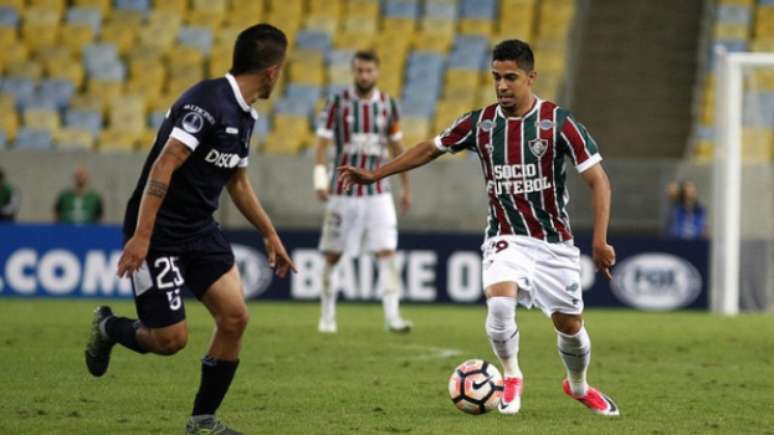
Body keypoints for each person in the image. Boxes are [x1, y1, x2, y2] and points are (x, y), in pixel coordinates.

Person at [339, 39, 619, 416]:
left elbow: (599, 181)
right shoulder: (480, 123)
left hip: (554, 243)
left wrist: (599, 240)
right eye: (496, 77)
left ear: (531, 77)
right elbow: (429, 148)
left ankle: (579, 385)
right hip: (505, 236)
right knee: (500, 301)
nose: (502, 86)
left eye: (511, 78)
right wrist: (376, 173)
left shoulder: (559, 123)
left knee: (570, 325)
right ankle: (511, 375)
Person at [84, 24, 296, 435]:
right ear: (272, 71)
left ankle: (202, 422)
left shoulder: (245, 115)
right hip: (158, 229)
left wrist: (270, 233)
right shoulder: (208, 100)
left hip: (200, 229)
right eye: (281, 70)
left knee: (235, 318)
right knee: (169, 341)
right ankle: (109, 327)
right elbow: (165, 163)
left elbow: (237, 183)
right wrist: (142, 236)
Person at [313, 50, 413, 334]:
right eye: (359, 70)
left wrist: (406, 186)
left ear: (377, 72)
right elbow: (321, 145)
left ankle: (393, 316)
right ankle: (327, 315)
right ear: (353, 72)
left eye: (369, 71)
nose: (364, 76)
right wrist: (320, 180)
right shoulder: (337, 103)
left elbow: (397, 149)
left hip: (379, 192)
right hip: (342, 192)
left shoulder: (388, 105)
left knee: (387, 251)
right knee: (333, 254)